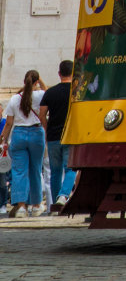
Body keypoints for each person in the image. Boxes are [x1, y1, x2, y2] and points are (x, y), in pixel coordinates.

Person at [1, 70, 47, 217]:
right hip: (36, 133)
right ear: (36, 82)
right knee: (35, 170)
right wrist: (41, 81)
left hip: (19, 134)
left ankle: (21, 206)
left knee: (19, 171)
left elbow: (8, 123)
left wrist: (3, 139)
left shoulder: (15, 99)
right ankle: (36, 205)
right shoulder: (40, 95)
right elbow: (49, 93)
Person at [41, 61, 75, 212]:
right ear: (73, 73)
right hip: (71, 135)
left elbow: (42, 115)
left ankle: (56, 204)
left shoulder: (50, 92)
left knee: (55, 171)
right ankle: (63, 195)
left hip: (53, 135)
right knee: (70, 169)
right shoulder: (77, 92)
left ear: (59, 73)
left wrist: (47, 129)